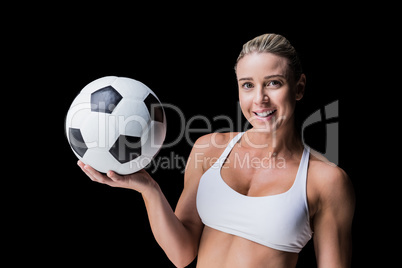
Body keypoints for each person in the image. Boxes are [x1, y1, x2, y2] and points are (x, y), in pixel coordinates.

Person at [77, 33, 355, 268]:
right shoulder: (209, 149)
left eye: (273, 83)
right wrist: (148, 188)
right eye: (248, 85)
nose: (259, 99)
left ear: (299, 87)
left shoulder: (325, 180)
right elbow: (182, 254)